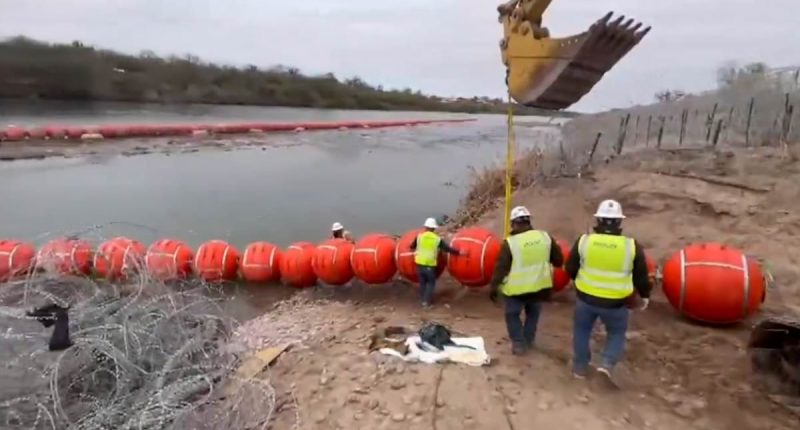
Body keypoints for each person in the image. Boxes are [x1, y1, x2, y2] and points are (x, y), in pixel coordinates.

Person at [565, 199, 651, 384]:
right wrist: (645, 296)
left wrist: (576, 281)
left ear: (598, 220)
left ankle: (580, 368)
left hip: (586, 299)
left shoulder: (584, 241)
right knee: (616, 333)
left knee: (581, 331)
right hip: (615, 303)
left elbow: (570, 267)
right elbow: (641, 276)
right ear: (619, 222)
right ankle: (606, 365)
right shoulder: (631, 246)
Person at [488, 206, 564, 355]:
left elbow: (501, 268)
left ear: (513, 224)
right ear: (529, 222)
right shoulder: (545, 237)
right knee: (533, 314)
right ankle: (528, 340)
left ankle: (518, 343)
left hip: (517, 290)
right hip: (540, 287)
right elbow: (558, 261)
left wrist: (493, 288)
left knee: (512, 315)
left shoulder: (510, 243)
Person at [409, 217, 462, 307]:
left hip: (419, 263)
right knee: (430, 283)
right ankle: (426, 302)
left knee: (422, 282)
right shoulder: (437, 239)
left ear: (425, 227)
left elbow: (411, 247)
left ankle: (423, 299)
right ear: (434, 228)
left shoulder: (419, 237)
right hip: (429, 265)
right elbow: (447, 249)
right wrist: (459, 252)